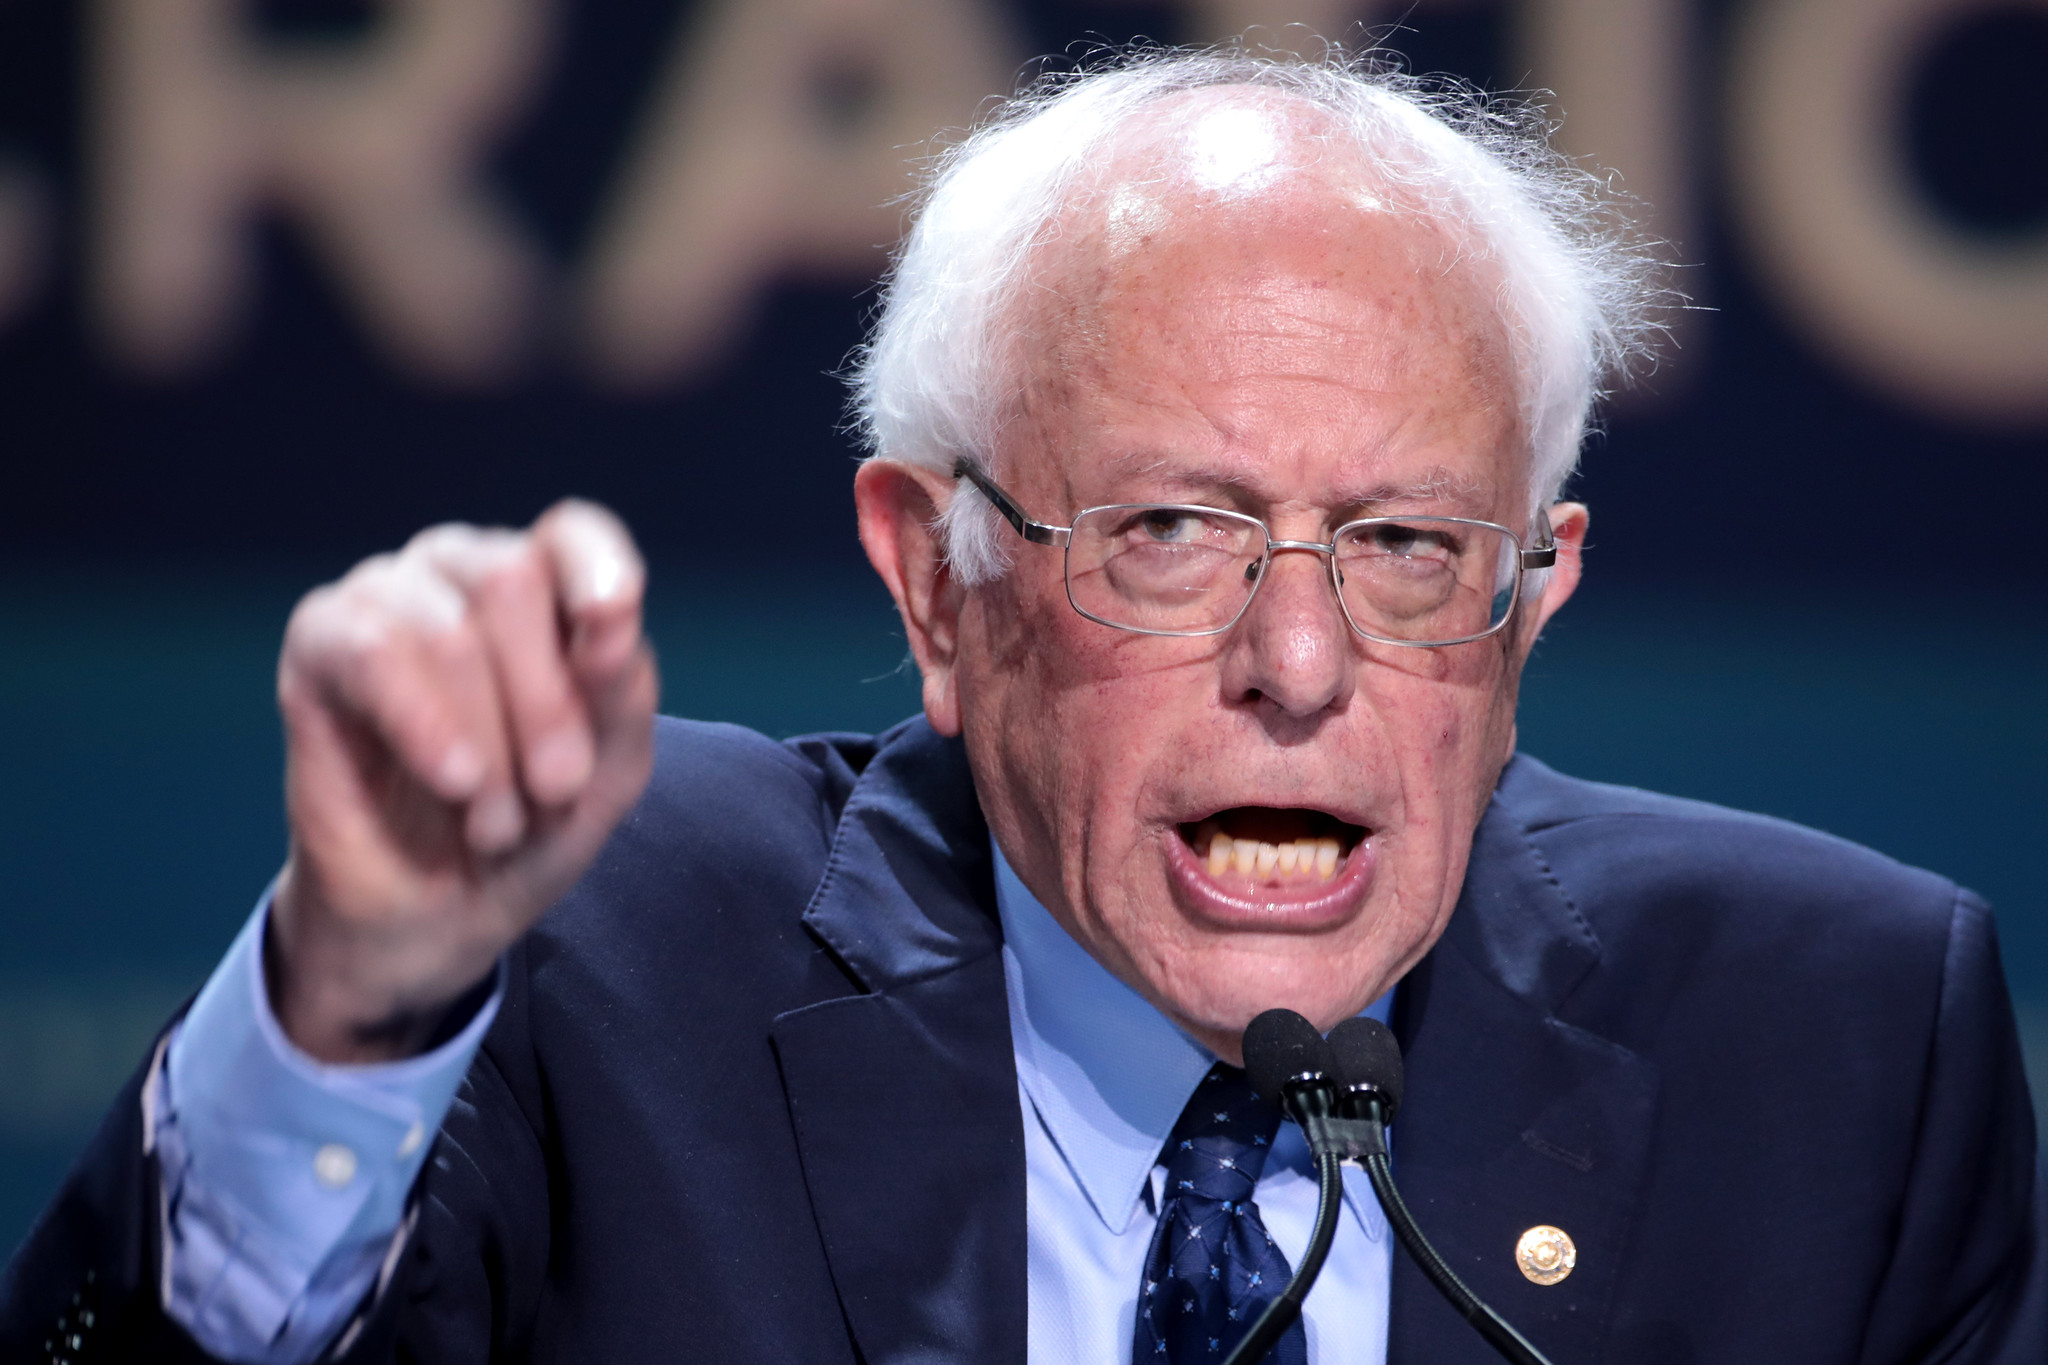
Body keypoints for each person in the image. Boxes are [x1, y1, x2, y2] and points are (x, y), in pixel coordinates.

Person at [3, 48, 2042, 1365]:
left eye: (1408, 546)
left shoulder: (1838, 1051)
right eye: (1172, 528)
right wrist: (354, 1007)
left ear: (1530, 599)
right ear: (935, 580)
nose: (1300, 659)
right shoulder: (607, 950)